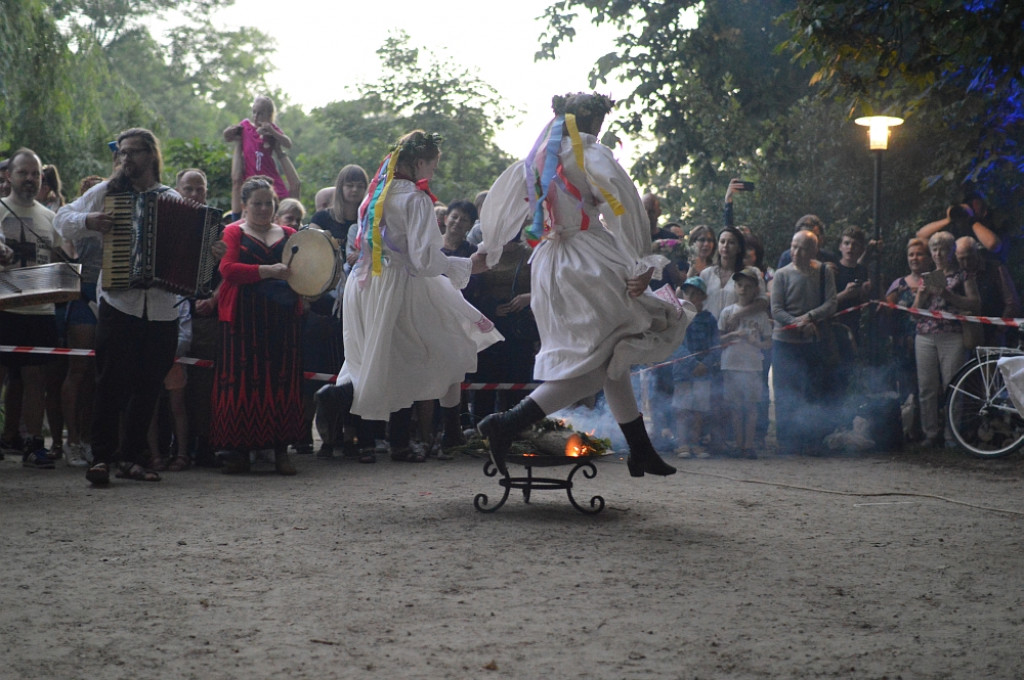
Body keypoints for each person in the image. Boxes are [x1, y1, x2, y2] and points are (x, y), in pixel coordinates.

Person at [476, 92, 689, 478]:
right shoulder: (588, 151)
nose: (601, 129)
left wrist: (489, 248)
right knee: (607, 356)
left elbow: (499, 203)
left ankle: (641, 449)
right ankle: (507, 422)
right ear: (589, 121)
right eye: (600, 122)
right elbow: (621, 202)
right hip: (586, 261)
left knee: (613, 355)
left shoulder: (535, 157)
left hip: (551, 263)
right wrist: (641, 259)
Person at [315, 130, 501, 463]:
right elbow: (425, 259)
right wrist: (467, 265)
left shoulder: (376, 193)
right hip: (399, 286)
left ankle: (341, 397)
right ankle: (443, 434)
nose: (434, 171)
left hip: (366, 285)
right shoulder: (415, 199)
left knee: (372, 363)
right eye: (434, 163)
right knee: (445, 348)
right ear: (419, 162)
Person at [54, 128, 181, 484]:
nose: (126, 159)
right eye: (121, 153)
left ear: (151, 156)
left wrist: (210, 253)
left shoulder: (171, 199)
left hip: (162, 308)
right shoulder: (106, 192)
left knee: (148, 386)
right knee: (110, 384)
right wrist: (87, 221)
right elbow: (61, 218)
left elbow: (196, 250)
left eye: (134, 152)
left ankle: (132, 458)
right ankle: (102, 458)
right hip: (118, 303)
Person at [211, 175, 304, 475]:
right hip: (243, 320)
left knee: (281, 380)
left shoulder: (290, 233)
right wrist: (267, 271)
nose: (263, 208)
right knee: (242, 382)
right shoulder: (232, 232)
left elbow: (306, 271)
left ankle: (281, 450)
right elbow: (228, 270)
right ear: (244, 205)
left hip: (282, 320)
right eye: (257, 204)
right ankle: (237, 451)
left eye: (268, 203)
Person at [0, 149, 64, 468]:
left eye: (35, 174)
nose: (30, 179)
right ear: (8, 176)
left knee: (36, 378)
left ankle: (34, 444)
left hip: (40, 311)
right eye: (23, 172)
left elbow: (60, 260)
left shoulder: (51, 218)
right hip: (3, 308)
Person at [770, 230, 837, 456]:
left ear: (813, 251)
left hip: (813, 341)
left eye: (802, 248)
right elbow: (776, 309)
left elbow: (831, 303)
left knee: (812, 391)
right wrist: (796, 323)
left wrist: (810, 317)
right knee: (785, 392)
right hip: (784, 342)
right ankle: (786, 440)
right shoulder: (781, 274)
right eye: (794, 246)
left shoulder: (823, 272)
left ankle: (812, 439)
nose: (796, 252)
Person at [913, 231, 980, 448]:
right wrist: (922, 296)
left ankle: (952, 435)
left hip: (953, 334)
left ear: (952, 252)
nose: (938, 254)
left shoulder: (964, 275)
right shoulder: (928, 276)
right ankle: (930, 433)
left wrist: (949, 296)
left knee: (953, 385)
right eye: (934, 249)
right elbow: (914, 313)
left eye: (943, 249)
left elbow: (975, 304)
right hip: (925, 334)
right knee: (926, 387)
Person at [718, 267, 772, 459]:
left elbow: (768, 342)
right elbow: (719, 340)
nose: (743, 289)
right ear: (735, 287)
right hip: (731, 364)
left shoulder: (761, 316)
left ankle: (748, 445)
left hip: (752, 366)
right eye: (740, 285)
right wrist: (734, 334)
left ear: (755, 289)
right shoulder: (727, 312)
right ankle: (738, 444)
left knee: (750, 406)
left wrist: (755, 343)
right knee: (735, 406)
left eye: (748, 286)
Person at [885, 237, 931, 441]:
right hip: (903, 344)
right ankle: (907, 429)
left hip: (929, 340)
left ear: (928, 257)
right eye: (911, 254)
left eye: (919, 254)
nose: (915, 258)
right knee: (905, 385)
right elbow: (887, 313)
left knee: (928, 386)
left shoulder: (935, 279)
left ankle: (927, 430)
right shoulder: (898, 284)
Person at [223, 95, 299, 214]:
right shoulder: (246, 126)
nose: (256, 117)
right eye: (254, 112)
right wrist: (229, 132)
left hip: (270, 178)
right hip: (250, 177)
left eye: (261, 114)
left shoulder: (272, 129)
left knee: (280, 204)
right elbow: (228, 137)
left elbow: (288, 144)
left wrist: (272, 132)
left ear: (269, 115)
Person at [670, 277, 718, 459]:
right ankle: (682, 443)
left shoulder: (709, 319)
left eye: (697, 294)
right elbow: (675, 344)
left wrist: (705, 364)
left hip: (703, 373)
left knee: (698, 409)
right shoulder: (679, 317)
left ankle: (695, 443)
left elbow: (716, 345)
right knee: (682, 409)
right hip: (682, 371)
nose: (693, 297)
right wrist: (692, 364)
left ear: (703, 297)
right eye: (690, 293)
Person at [955, 236, 1020, 347]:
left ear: (977, 253)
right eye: (961, 259)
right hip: (959, 333)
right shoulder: (953, 272)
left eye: (969, 258)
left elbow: (1012, 302)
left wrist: (1000, 329)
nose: (966, 263)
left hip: (993, 332)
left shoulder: (996, 269)